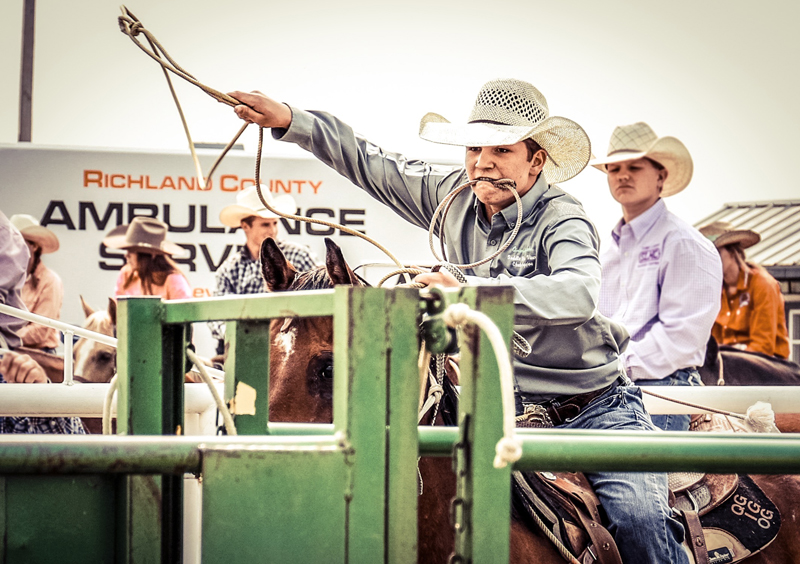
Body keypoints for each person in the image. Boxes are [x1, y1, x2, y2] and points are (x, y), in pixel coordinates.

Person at [227, 79, 688, 563]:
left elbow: (578, 293)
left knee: (639, 518)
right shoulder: (454, 198)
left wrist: (466, 293)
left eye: (501, 149)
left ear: (536, 160)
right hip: (495, 405)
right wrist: (290, 120)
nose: (482, 162)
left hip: (592, 409)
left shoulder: (563, 217)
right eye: (474, 148)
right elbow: (371, 163)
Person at [592, 122, 722, 433]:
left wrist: (613, 366)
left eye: (635, 166)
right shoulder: (605, 251)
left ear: (660, 176)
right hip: (608, 381)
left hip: (665, 384)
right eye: (614, 168)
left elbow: (681, 336)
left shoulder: (684, 243)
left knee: (636, 469)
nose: (623, 175)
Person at [0, 208, 84, 434]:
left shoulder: (50, 281)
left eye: (23, 242)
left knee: (37, 395)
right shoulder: (21, 279)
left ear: (34, 246)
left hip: (41, 353)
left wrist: (10, 341)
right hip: (17, 350)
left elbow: (42, 327)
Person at [209, 185, 318, 347]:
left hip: (293, 344)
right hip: (243, 348)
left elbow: (323, 293)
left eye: (275, 223)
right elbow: (216, 314)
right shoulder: (228, 269)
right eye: (265, 225)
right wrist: (238, 337)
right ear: (246, 226)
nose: (273, 230)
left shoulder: (300, 255)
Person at [699, 221, 789, 358]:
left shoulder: (763, 284)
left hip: (768, 366)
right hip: (728, 365)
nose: (710, 259)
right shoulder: (712, 289)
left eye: (715, 252)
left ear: (733, 251)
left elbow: (763, 346)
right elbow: (711, 341)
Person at [9, 214, 64, 353]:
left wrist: (6, 337)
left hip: (39, 356)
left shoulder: (50, 280)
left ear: (33, 246)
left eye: (16, 242)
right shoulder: (7, 278)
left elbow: (41, 331)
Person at [103, 217, 192, 300]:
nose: (126, 255)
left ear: (149, 255)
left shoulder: (173, 280)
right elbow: (117, 312)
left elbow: (185, 314)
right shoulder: (126, 275)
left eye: (132, 251)